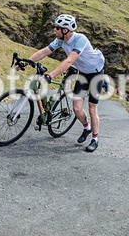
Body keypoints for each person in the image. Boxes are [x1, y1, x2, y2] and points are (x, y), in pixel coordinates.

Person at [25, 14, 106, 152]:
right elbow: (45, 51)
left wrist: (50, 75)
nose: (54, 30)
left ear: (66, 30)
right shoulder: (60, 40)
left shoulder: (81, 39)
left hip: (96, 73)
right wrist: (26, 62)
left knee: (92, 108)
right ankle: (86, 127)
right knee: (76, 109)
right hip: (82, 72)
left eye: (57, 27)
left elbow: (69, 60)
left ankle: (95, 139)